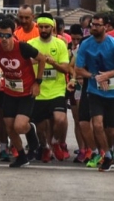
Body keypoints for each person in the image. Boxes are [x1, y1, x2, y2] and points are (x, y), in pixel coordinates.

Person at [0, 17, 46, 168]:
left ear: (13, 34)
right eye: (1, 35)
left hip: (26, 92)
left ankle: (30, 130)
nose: (4, 39)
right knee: (9, 126)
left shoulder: (23, 48)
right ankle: (22, 156)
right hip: (10, 92)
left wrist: (37, 83)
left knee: (19, 126)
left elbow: (42, 59)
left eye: (7, 35)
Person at [74, 12, 114, 172]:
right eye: (92, 24)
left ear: (106, 27)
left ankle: (113, 148)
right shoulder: (86, 44)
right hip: (94, 91)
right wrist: (94, 76)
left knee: (111, 130)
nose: (93, 27)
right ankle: (106, 155)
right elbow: (78, 69)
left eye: (97, 25)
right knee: (97, 125)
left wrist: (108, 74)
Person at [27, 14, 71, 163]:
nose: (44, 29)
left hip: (56, 89)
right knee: (40, 126)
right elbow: (25, 64)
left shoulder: (60, 44)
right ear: (37, 27)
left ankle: (55, 142)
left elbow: (66, 69)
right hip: (39, 90)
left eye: (47, 27)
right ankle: (44, 146)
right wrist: (36, 60)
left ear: (53, 28)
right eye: (41, 27)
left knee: (59, 119)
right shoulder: (31, 43)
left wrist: (53, 63)